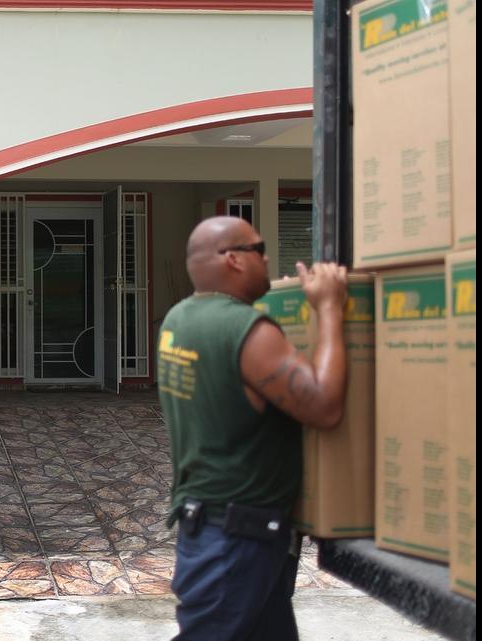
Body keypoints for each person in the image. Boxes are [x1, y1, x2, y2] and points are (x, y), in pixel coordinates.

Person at [158, 216, 348, 641]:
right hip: (236, 538)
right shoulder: (246, 331)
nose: (267, 258)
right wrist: (330, 308)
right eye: (259, 250)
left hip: (215, 526)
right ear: (234, 260)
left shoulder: (178, 319)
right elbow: (325, 407)